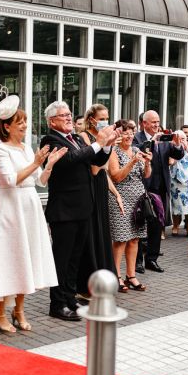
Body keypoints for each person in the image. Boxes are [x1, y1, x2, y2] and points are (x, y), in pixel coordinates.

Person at [0, 96, 66, 333]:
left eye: (26, 121)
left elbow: (38, 180)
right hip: (10, 208)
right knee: (7, 259)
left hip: (29, 206)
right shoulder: (0, 149)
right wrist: (36, 161)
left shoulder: (27, 148)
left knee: (25, 258)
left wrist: (48, 164)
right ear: (6, 126)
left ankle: (19, 310)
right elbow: (9, 180)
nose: (25, 125)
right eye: (20, 121)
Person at [41, 101, 119, 321]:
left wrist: (106, 145)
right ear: (51, 121)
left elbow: (96, 161)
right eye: (62, 115)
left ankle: (68, 296)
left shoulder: (75, 138)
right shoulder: (50, 140)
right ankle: (56, 304)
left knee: (75, 258)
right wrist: (97, 143)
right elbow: (70, 160)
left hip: (84, 208)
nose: (68, 118)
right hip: (64, 211)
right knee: (62, 259)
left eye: (69, 114)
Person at [76, 104, 120, 299]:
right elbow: (95, 168)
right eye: (101, 117)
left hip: (101, 185)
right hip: (90, 186)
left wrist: (115, 192)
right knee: (92, 233)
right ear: (91, 118)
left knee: (103, 231)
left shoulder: (104, 137)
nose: (105, 121)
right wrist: (105, 145)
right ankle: (88, 283)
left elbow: (105, 169)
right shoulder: (85, 137)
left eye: (107, 117)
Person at [134, 110, 184, 273]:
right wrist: (152, 142)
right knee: (139, 224)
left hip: (160, 186)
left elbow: (178, 155)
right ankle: (137, 261)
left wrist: (176, 144)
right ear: (144, 123)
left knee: (157, 225)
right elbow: (139, 152)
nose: (156, 125)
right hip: (142, 186)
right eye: (153, 122)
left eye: (158, 122)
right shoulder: (137, 138)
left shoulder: (164, 139)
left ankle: (152, 259)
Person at [108, 120, 152, 292]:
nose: (129, 136)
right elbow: (116, 177)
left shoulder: (136, 150)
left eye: (131, 132)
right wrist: (132, 162)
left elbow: (146, 175)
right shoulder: (113, 151)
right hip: (120, 198)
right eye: (125, 132)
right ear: (119, 134)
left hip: (138, 199)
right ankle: (116, 276)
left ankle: (131, 275)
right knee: (120, 239)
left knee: (135, 238)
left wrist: (147, 162)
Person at [169, 127, 188, 237]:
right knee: (176, 205)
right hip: (176, 181)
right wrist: (177, 149)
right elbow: (171, 162)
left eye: (183, 138)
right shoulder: (172, 148)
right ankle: (175, 226)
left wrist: (186, 147)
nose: (181, 140)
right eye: (179, 138)